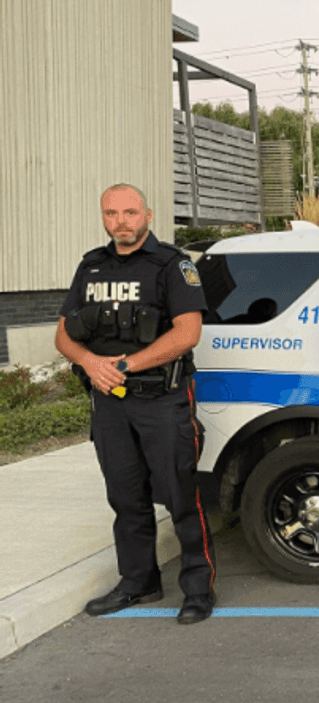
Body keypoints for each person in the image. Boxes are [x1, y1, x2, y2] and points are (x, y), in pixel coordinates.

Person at [54, 184, 216, 624]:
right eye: (111, 213)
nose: (120, 221)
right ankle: (138, 582)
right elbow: (64, 334)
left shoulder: (172, 265)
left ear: (148, 214)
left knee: (181, 496)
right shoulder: (91, 266)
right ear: (103, 217)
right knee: (125, 498)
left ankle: (198, 588)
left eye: (129, 212)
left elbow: (186, 333)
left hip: (161, 399)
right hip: (109, 403)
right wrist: (90, 362)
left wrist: (124, 365)